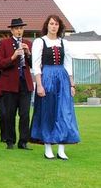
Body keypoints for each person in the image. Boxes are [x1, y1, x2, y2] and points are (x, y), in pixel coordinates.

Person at [30, 15, 80, 159]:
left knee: (64, 112)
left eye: (56, 24)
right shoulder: (40, 42)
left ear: (59, 26)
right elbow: (36, 65)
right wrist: (39, 85)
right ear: (47, 25)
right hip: (47, 78)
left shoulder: (64, 43)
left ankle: (61, 148)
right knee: (48, 112)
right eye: (51, 24)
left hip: (62, 79)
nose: (53, 26)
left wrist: (72, 84)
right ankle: (48, 146)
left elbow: (68, 65)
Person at [0, 18, 34, 150]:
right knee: (9, 114)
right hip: (10, 84)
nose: (19, 31)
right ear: (12, 30)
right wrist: (12, 57)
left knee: (24, 114)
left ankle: (23, 141)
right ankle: (10, 141)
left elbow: (34, 65)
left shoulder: (28, 43)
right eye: (17, 28)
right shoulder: (4, 44)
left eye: (21, 28)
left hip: (25, 83)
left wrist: (28, 53)